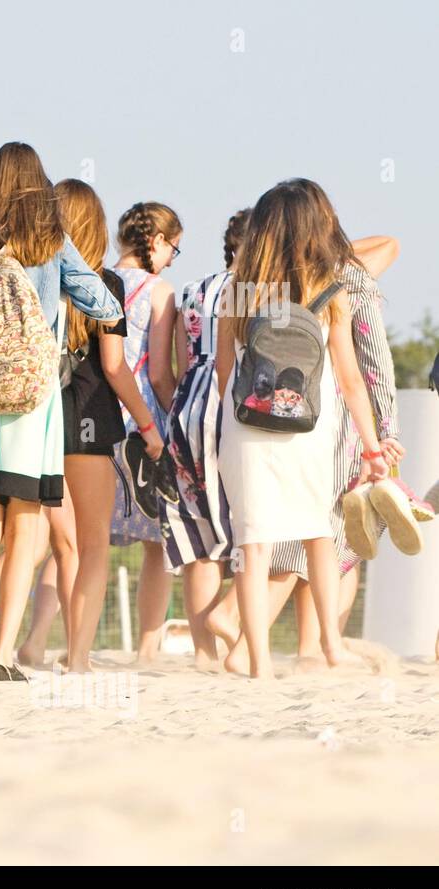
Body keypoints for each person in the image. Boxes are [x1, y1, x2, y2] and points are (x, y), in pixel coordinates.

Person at [0, 142, 122, 681]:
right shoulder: (51, 239)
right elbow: (102, 303)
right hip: (31, 397)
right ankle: (4, 656)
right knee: (25, 526)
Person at [215, 179, 389, 678]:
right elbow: (352, 380)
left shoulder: (237, 288)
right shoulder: (329, 288)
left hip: (247, 425)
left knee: (254, 544)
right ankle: (331, 648)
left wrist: (242, 416)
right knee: (318, 535)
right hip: (310, 428)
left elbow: (225, 373)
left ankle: (260, 663)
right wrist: (373, 447)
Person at [48, 180, 165, 673]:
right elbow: (115, 367)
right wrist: (148, 426)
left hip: (38, 417)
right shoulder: (106, 285)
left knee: (46, 542)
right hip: (91, 418)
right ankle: (78, 658)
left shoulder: (36, 276)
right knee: (93, 544)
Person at [160, 209, 249, 666]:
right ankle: (232, 623)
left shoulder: (193, 291)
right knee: (239, 527)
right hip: (229, 402)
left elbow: (175, 364)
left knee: (197, 534)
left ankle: (202, 653)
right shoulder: (260, 292)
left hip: (186, 405)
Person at [108, 201, 182, 661]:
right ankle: (147, 652)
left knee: (74, 540)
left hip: (93, 419)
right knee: (159, 543)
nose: (174, 258)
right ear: (155, 242)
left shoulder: (94, 278)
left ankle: (40, 637)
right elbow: (158, 374)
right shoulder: (159, 291)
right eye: (175, 247)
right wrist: (175, 420)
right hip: (142, 424)